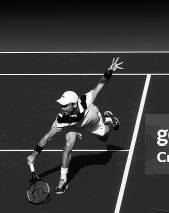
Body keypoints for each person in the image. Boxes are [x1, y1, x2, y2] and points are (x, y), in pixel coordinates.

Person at [26, 57, 125, 194]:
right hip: (75, 126)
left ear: (73, 105)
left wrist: (110, 71)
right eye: (61, 105)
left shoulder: (85, 101)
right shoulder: (62, 117)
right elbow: (48, 136)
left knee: (104, 136)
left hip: (92, 119)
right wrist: (34, 154)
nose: (62, 108)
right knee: (68, 146)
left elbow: (100, 85)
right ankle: (63, 179)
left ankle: (108, 118)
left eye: (64, 105)